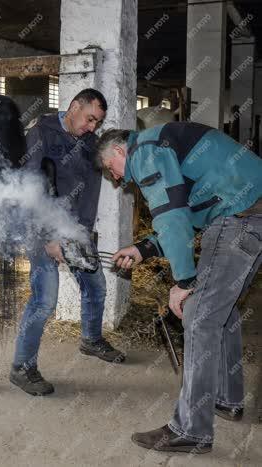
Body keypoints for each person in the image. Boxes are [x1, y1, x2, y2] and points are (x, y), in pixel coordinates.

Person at [97, 122, 262, 454]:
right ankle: (226, 399)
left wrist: (184, 283)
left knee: (198, 318)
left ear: (119, 151)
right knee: (222, 313)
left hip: (237, 219)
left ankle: (191, 430)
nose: (117, 178)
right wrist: (142, 249)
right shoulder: (164, 144)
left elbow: (172, 218)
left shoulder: (144, 152)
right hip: (252, 213)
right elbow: (185, 213)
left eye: (110, 169)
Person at [10, 89, 126, 397]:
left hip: (75, 230)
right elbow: (30, 190)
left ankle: (91, 339)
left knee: (96, 286)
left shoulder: (89, 142)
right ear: (74, 107)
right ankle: (22, 367)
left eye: (97, 122)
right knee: (45, 299)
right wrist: (49, 239)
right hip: (42, 231)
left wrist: (82, 233)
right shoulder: (41, 134)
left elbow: (90, 191)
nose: (92, 127)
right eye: (90, 119)